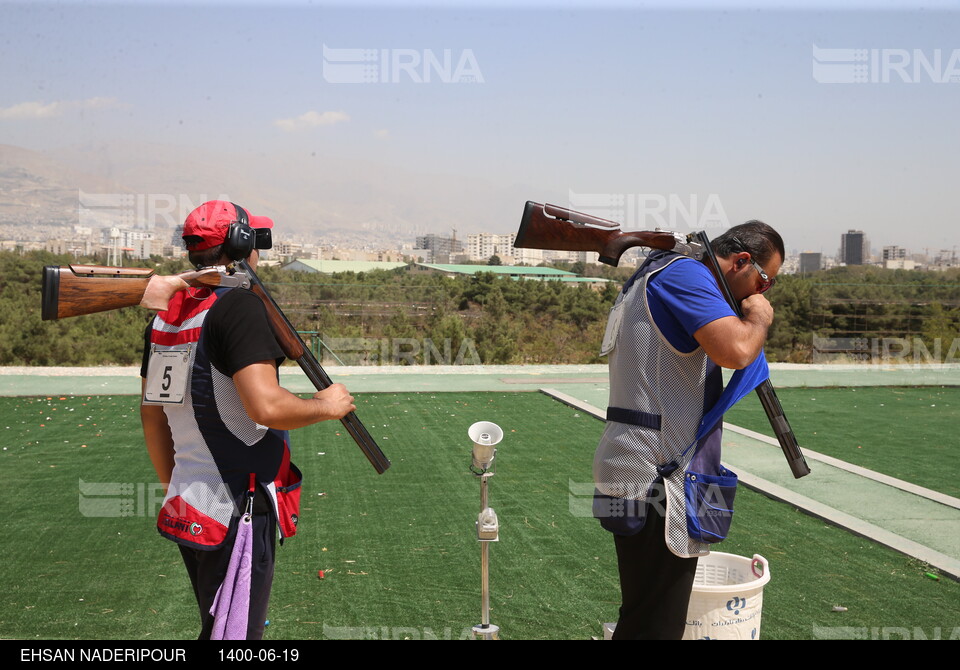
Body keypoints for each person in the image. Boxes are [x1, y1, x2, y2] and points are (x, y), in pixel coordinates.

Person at [140, 200, 356, 640]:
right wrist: (327, 406)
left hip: (190, 502)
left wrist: (177, 488)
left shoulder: (167, 317)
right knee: (236, 637)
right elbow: (267, 408)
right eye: (255, 238)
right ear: (241, 243)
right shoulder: (237, 307)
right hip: (237, 506)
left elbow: (152, 419)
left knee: (216, 626)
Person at [593, 221, 784, 640]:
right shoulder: (686, 274)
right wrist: (758, 318)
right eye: (764, 281)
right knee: (656, 626)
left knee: (643, 616)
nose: (760, 293)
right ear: (742, 261)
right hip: (657, 480)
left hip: (634, 468)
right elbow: (735, 350)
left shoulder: (663, 270)